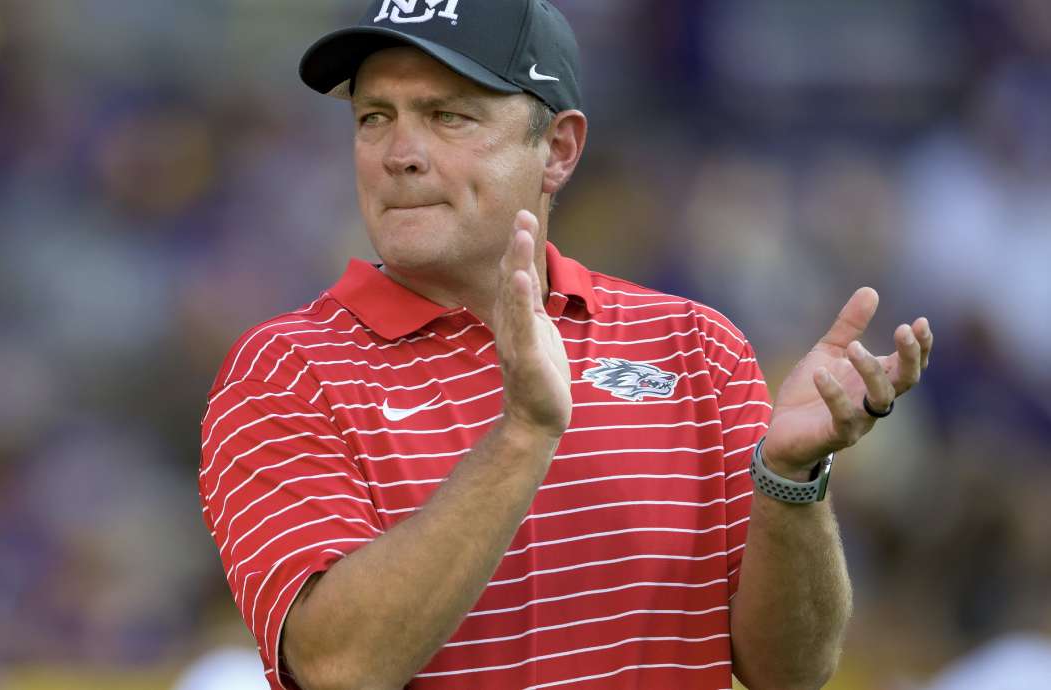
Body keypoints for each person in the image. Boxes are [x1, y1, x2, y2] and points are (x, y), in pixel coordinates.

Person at [198, 1, 934, 688]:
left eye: (447, 116)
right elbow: (337, 667)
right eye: (374, 117)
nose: (399, 154)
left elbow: (791, 670)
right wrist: (523, 435)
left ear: (558, 149)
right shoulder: (283, 372)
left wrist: (789, 481)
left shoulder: (696, 348)